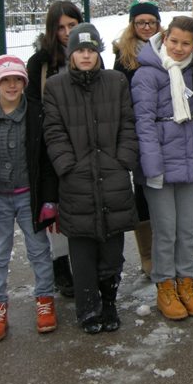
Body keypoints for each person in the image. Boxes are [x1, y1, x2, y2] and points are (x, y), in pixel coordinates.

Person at [43, 24, 139, 333]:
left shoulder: (115, 82)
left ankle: (109, 302)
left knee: (112, 246)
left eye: (91, 50)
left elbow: (127, 123)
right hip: (76, 180)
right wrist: (67, 166)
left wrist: (122, 160)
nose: (86, 56)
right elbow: (53, 131)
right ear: (71, 54)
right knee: (82, 248)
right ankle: (87, 307)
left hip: (112, 176)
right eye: (80, 50)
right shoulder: (55, 86)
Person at [131, 16, 193, 320]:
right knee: (165, 231)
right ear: (164, 38)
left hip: (186, 162)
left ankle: (186, 283)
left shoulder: (191, 72)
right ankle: (164, 286)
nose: (178, 48)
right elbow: (143, 123)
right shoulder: (146, 74)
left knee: (187, 229)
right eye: (174, 41)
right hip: (158, 164)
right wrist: (152, 167)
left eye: (186, 43)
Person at [0, 56, 58, 341]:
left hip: (29, 196)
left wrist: (49, 199)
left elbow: (46, 161)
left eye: (17, 80)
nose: (12, 85)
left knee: (39, 250)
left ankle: (45, 301)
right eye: (6, 80)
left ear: (24, 83)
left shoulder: (36, 113)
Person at [26, 0, 83, 298]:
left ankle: (85, 262)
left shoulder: (88, 52)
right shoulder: (41, 62)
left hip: (84, 139)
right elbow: (33, 103)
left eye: (72, 25)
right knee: (56, 203)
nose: (67, 32)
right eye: (60, 27)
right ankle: (61, 265)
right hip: (53, 141)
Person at [113, 0, 163, 278]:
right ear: (132, 25)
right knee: (143, 189)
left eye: (151, 22)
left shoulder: (166, 48)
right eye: (141, 22)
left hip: (164, 130)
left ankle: (165, 248)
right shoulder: (124, 56)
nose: (146, 27)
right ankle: (147, 254)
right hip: (137, 129)